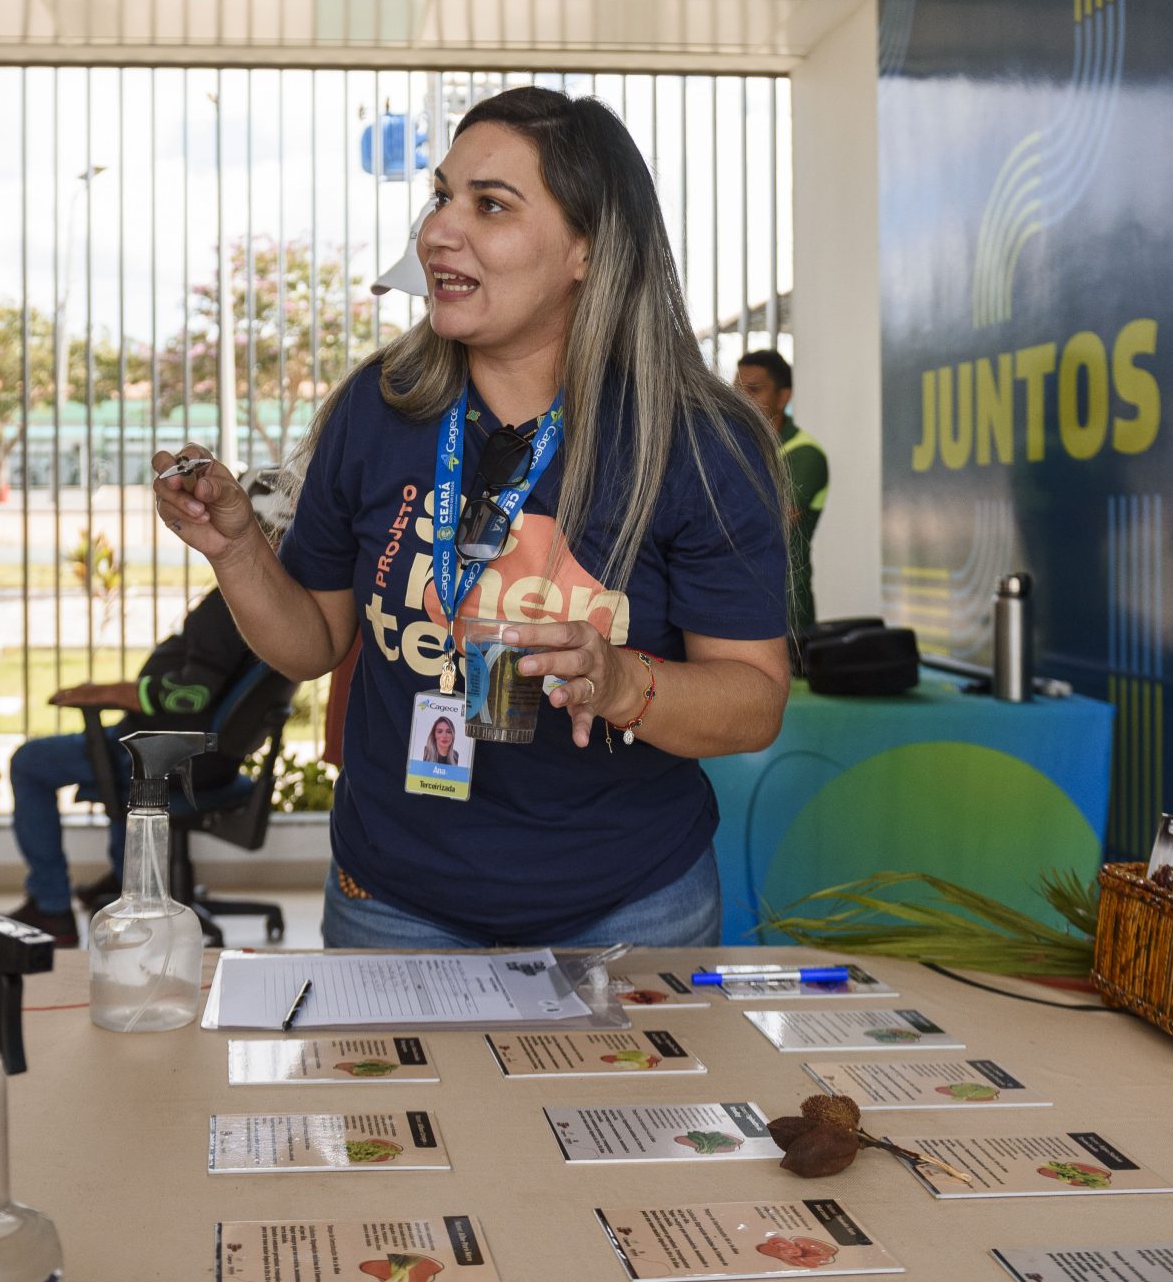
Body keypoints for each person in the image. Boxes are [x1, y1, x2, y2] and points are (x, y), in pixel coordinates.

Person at [155, 87, 793, 950]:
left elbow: (753, 700)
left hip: (631, 909)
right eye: (440, 195)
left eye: (489, 204)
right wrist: (236, 549)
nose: (437, 232)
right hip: (393, 902)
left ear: (587, 249)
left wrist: (620, 683)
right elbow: (311, 641)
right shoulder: (376, 412)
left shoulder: (697, 443)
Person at [3, 469, 296, 943]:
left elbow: (189, 696)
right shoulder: (280, 603)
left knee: (30, 763)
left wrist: (106, 691)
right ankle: (124, 879)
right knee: (123, 751)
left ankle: (51, 906)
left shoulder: (233, 606)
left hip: (170, 753)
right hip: (202, 755)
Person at [733, 348, 827, 638]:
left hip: (783, 611)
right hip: (734, 602)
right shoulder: (734, 447)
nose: (741, 398)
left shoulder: (804, 453)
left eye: (754, 389)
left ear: (784, 397)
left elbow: (772, 523)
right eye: (737, 389)